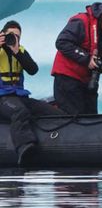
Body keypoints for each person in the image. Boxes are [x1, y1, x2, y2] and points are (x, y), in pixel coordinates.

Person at [0, 20, 65, 166]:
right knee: (20, 111)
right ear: (3, 34)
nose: (14, 38)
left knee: (53, 112)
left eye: (17, 36)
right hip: (2, 98)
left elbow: (32, 69)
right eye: (10, 35)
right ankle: (25, 147)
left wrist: (16, 51)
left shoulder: (20, 50)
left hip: (19, 96)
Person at [52, 2, 102, 114]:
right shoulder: (81, 21)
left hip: (87, 81)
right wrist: (87, 59)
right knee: (75, 118)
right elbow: (62, 42)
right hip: (68, 78)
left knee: (91, 117)